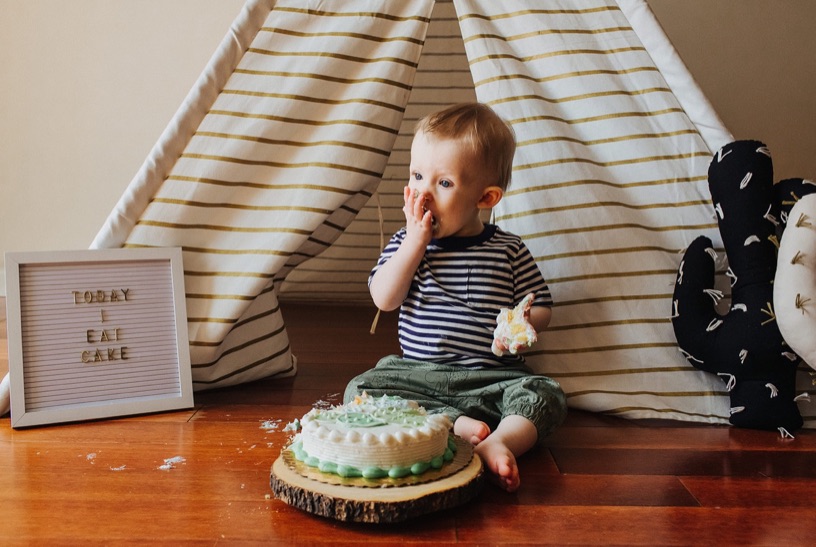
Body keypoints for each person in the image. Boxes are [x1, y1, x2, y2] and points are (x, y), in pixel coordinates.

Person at [344, 102, 567, 492]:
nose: (424, 194)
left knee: (544, 394)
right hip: (417, 375)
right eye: (417, 176)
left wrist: (526, 324)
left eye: (443, 183)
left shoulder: (509, 249)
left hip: (493, 377)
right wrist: (415, 243)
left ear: (486, 198)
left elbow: (542, 305)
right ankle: (453, 423)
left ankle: (500, 441)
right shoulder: (405, 243)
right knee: (361, 390)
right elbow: (384, 298)